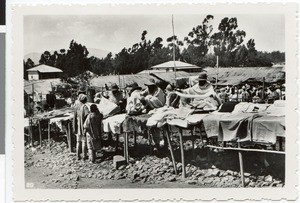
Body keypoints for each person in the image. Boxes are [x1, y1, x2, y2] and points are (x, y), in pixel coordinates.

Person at [74, 94, 90, 160]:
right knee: (84, 142)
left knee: (78, 142)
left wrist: (74, 127)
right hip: (83, 127)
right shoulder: (85, 107)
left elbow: (74, 118)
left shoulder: (76, 107)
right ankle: (84, 156)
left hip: (78, 127)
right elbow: (87, 117)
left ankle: (77, 156)